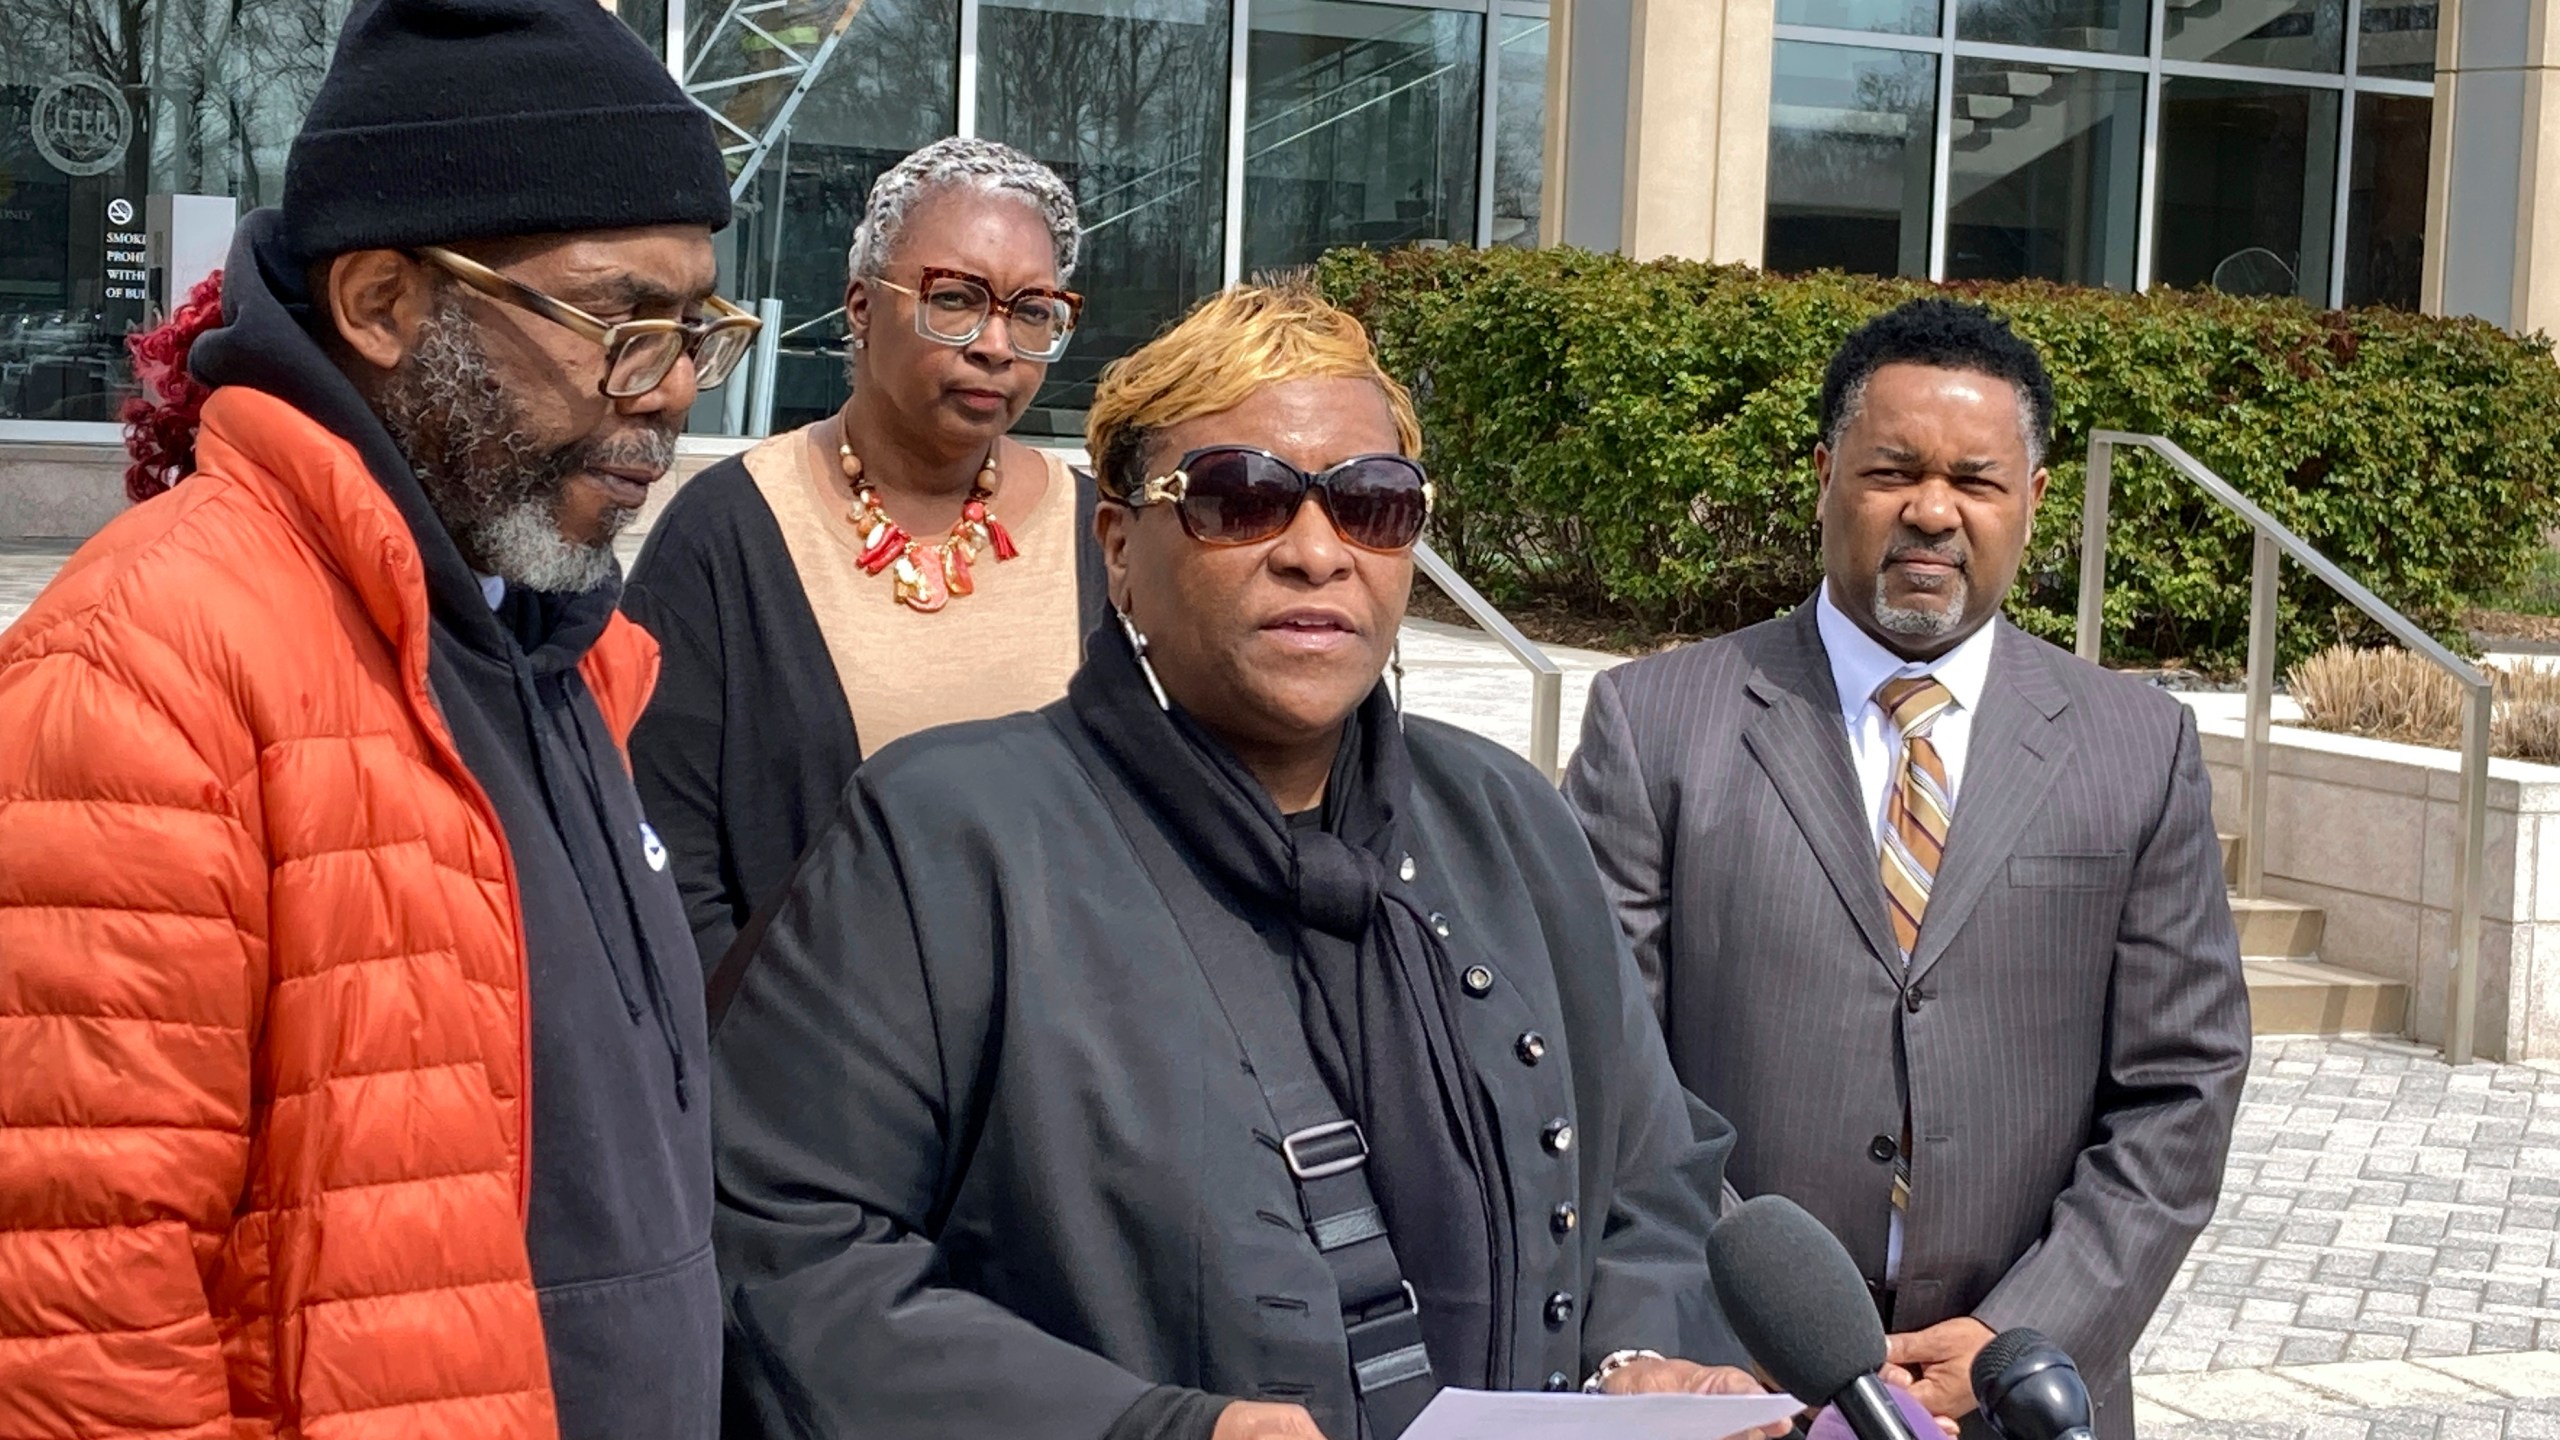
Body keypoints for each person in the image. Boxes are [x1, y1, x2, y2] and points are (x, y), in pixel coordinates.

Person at [710, 285, 1765, 1440]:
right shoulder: (947, 836)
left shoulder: (1506, 820)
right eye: (1239, 499)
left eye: (1372, 507)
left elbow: (1653, 1178)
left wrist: (1639, 1356)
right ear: (1117, 545)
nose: (1316, 554)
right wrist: (1149, 1428)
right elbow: (789, 1251)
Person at [0, 1, 749, 1433]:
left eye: (695, 324)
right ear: (386, 304)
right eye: (618, 323)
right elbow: (73, 1334)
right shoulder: (143, 669)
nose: (668, 394)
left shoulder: (560, 644)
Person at [1563, 298, 2252, 1440]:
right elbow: (1604, 1068)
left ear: (2032, 502)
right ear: (1826, 475)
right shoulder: (1653, 722)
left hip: (2015, 1391)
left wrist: (2030, 1330)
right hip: (1735, 1387)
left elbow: (2182, 1083)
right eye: (1892, 472)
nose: (1931, 512)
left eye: (1975, 481)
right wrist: (1753, 1324)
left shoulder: (2136, 743)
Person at [624, 135, 1106, 979]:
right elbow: (667, 864)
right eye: (955, 299)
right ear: (858, 307)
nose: (996, 344)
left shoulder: (1103, 537)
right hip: (803, 1067)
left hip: (1068, 1064)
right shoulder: (729, 532)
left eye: (1032, 311)